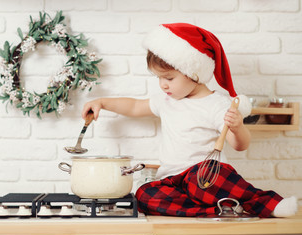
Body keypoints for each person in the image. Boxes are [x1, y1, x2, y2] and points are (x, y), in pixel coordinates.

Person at [81, 23, 297, 218]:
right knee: (144, 194)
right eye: (159, 78)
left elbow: (240, 145)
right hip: (172, 180)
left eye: (169, 78)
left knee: (207, 179)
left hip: (204, 177)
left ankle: (266, 203)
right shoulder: (167, 100)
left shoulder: (216, 104)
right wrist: (103, 102)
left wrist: (238, 127)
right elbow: (136, 106)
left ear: (193, 73)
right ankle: (218, 209)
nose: (162, 85)